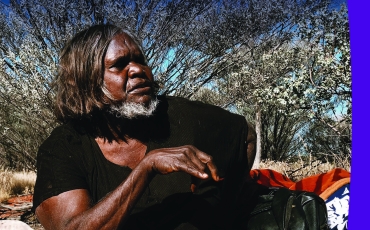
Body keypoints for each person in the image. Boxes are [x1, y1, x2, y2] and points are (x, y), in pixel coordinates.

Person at [32, 24, 257, 230]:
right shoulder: (63, 148)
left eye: (140, 61)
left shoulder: (178, 115)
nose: (138, 70)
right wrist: (147, 167)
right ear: (85, 80)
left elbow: (244, 135)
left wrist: (225, 208)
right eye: (119, 65)